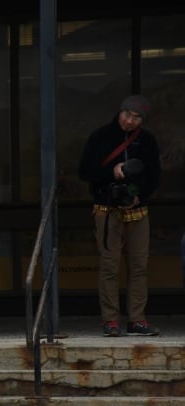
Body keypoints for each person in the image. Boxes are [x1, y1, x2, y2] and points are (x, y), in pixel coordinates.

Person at [78, 95, 162, 337]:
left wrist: (140, 194)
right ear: (119, 112)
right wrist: (111, 172)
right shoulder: (100, 136)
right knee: (109, 266)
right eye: (127, 114)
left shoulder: (147, 140)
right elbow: (85, 171)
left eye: (136, 118)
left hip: (138, 209)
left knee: (139, 266)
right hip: (107, 207)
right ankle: (111, 320)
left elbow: (155, 175)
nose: (130, 121)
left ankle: (137, 319)